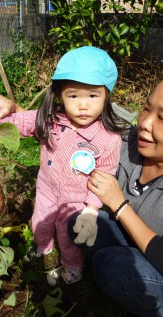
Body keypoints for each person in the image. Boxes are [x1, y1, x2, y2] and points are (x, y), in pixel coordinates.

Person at [0, 46, 125, 285]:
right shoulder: (52, 119)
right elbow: (21, 121)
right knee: (40, 223)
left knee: (68, 237)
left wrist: (91, 209)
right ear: (59, 95)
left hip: (74, 200)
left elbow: (104, 176)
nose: (83, 105)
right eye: (73, 96)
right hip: (46, 189)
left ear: (106, 95)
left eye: (93, 96)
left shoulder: (108, 139)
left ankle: (72, 266)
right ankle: (43, 248)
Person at [67, 80, 163, 315]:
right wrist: (14, 114)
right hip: (133, 243)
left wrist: (120, 206)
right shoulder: (128, 141)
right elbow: (82, 116)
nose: (145, 123)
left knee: (111, 266)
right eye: (147, 108)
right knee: (76, 220)